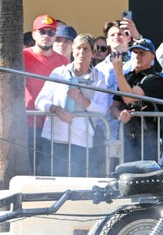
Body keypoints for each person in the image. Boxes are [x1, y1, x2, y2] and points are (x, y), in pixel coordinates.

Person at [35, 34, 111, 176]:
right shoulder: (59, 73)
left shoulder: (99, 78)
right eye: (78, 48)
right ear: (72, 51)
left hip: (82, 140)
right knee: (54, 184)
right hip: (54, 138)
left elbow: (102, 110)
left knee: (78, 186)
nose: (81, 53)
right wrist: (56, 110)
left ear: (93, 53)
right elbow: (40, 101)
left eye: (86, 49)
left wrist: (82, 99)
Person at [23, 14, 68, 172]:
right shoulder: (23, 56)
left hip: (53, 126)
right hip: (29, 124)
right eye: (42, 32)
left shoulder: (63, 62)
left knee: (51, 173)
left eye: (51, 33)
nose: (47, 36)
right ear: (34, 34)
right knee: (30, 172)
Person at [111, 37, 163, 165]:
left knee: (146, 178)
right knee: (124, 176)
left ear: (152, 56)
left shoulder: (155, 79)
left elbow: (129, 98)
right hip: (126, 137)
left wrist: (118, 72)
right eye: (134, 52)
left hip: (148, 139)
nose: (137, 56)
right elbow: (114, 106)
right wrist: (119, 114)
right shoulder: (127, 77)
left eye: (142, 53)